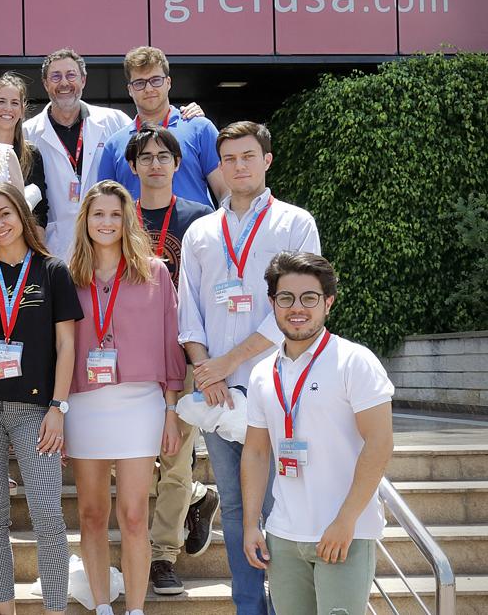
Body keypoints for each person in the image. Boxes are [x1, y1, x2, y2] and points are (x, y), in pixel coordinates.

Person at [178, 121, 321, 615]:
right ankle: (248, 607)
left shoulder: (294, 223)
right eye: (229, 159)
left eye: (247, 156)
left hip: (281, 389)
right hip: (218, 397)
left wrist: (226, 364)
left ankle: (288, 604)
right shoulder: (200, 230)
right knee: (236, 506)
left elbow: (294, 309)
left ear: (267, 160)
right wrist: (206, 371)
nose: (238, 166)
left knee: (281, 505)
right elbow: (188, 309)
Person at [241, 252, 394, 615]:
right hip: (284, 535)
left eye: (309, 298)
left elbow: (380, 442)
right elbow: (256, 452)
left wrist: (346, 521)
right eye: (286, 298)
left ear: (328, 302)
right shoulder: (263, 373)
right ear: (272, 304)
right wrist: (251, 525)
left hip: (344, 534)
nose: (298, 308)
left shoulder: (354, 361)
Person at [0, 182, 82, 615]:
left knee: (48, 516)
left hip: (37, 414)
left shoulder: (52, 271)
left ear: (22, 216)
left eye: (5, 214)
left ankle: (54, 609)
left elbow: (67, 346)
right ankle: (5, 610)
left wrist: (58, 408)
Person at [65, 182, 184, 615]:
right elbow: (57, 348)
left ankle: (134, 609)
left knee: (134, 515)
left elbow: (173, 345)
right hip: (84, 404)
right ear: (86, 221)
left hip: (140, 404)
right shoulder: (68, 275)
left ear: (127, 219)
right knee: (93, 515)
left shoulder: (155, 272)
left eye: (115, 215)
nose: (106, 223)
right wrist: (56, 412)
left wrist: (172, 412)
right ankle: (102, 606)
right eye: (98, 215)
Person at [122, 124, 217, 597]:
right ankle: (199, 499)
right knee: (136, 456)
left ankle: (162, 556)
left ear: (178, 165)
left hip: (184, 354)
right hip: (132, 359)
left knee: (176, 462)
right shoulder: (120, 217)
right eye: (145, 157)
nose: (155, 164)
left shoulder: (200, 218)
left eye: (164, 156)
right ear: (133, 166)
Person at [24, 49, 202, 259]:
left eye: (71, 75)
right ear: (45, 84)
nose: (64, 83)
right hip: (53, 247)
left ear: (83, 80)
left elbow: (153, 138)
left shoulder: (114, 121)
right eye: (56, 76)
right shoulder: (28, 132)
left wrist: (187, 115)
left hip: (107, 244)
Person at [97, 46, 226, 207]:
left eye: (156, 80)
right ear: (130, 90)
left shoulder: (200, 129)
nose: (149, 88)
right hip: (136, 232)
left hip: (192, 231)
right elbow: (106, 203)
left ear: (168, 82)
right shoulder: (114, 144)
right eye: (139, 83)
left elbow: (225, 191)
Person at [0, 72, 49, 232]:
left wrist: (36, 254)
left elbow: (40, 213)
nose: (8, 108)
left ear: (22, 110)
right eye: (1, 101)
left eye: (14, 103)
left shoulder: (32, 154)